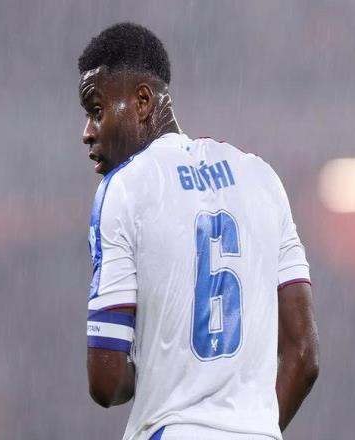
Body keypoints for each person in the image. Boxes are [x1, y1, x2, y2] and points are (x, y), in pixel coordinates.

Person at [79, 22, 319, 440]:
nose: (87, 132)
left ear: (142, 101)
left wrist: (160, 361)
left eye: (96, 111)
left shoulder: (125, 188)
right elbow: (304, 354)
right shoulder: (261, 178)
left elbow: (107, 381)